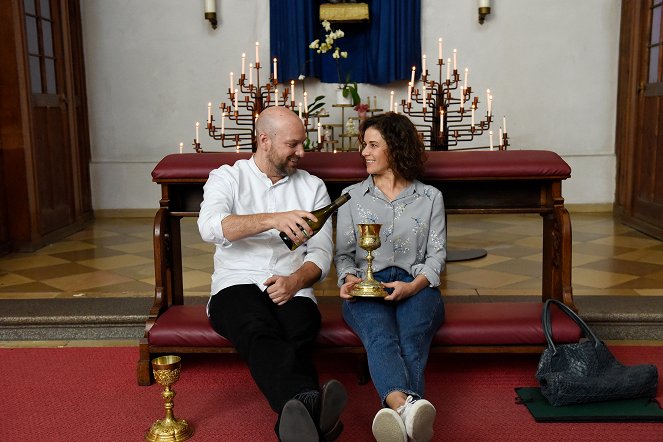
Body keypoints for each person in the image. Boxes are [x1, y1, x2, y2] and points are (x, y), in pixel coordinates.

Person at [198, 106, 347, 442]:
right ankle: (310, 403)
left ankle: (296, 421)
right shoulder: (227, 177)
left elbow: (321, 253)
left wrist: (297, 280)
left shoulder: (313, 187)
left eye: (302, 144)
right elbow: (209, 227)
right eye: (292, 145)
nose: (302, 152)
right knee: (256, 327)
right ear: (264, 140)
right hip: (235, 283)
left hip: (291, 285)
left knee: (299, 327)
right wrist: (272, 219)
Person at [334, 112, 446, 442]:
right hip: (367, 288)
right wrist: (348, 280)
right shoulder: (351, 197)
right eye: (363, 145)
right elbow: (343, 254)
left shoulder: (430, 197)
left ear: (394, 148)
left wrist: (413, 286)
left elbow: (437, 255)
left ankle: (398, 411)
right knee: (381, 336)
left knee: (412, 340)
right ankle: (408, 410)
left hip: (419, 286)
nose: (364, 153)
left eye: (372, 145)